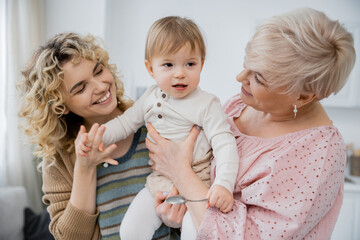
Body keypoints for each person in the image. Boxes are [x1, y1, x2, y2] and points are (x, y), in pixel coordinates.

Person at [146, 8, 356, 239]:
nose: (240, 77)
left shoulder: (319, 154)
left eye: (259, 78)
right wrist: (175, 209)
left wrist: (179, 171)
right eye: (247, 63)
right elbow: (199, 189)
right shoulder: (240, 104)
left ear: (303, 97)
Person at [88, 16, 239, 240]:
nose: (180, 73)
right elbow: (125, 122)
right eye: (168, 64)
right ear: (151, 68)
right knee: (130, 230)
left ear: (202, 64)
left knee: (195, 232)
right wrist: (98, 136)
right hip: (159, 181)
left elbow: (225, 144)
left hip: (199, 181)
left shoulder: (207, 103)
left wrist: (223, 185)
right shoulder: (149, 97)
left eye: (190, 64)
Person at [18, 32, 179, 240]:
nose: (101, 86)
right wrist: (84, 169)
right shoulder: (58, 162)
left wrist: (178, 220)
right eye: (81, 88)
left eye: (98, 71)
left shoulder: (155, 122)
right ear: (60, 105)